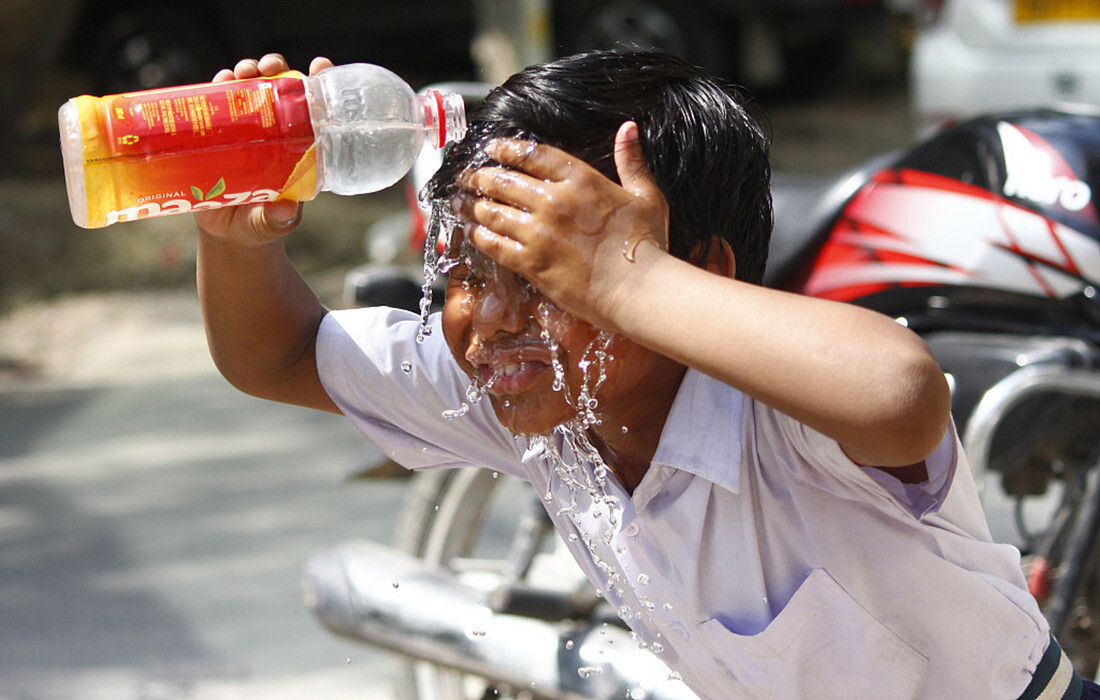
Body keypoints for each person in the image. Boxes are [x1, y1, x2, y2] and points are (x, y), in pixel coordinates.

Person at [194, 50, 1095, 699]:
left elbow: (901, 393)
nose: (499, 312)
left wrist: (629, 283)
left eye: (551, 273)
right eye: (468, 269)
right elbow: (277, 355)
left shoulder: (775, 410)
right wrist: (234, 245)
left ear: (693, 269)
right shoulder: (533, 397)